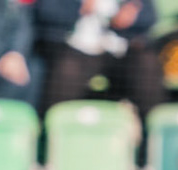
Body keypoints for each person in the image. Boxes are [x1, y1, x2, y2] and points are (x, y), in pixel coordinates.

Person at [36, 0, 166, 114]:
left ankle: (151, 133)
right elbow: (45, 13)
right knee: (67, 71)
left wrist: (129, 16)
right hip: (74, 47)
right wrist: (79, 9)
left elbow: (150, 17)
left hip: (119, 48)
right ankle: (54, 130)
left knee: (146, 65)